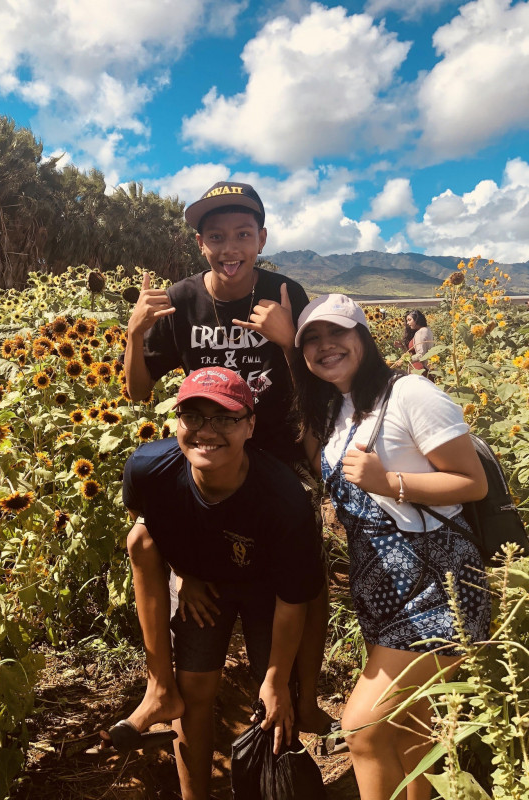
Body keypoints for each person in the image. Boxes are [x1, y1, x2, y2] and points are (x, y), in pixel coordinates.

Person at [121, 180, 331, 737]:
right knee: (146, 539)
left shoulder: (286, 292)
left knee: (307, 572)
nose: (230, 246)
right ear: (200, 243)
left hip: (277, 456)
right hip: (206, 450)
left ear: (261, 239)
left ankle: (304, 698)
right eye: (217, 236)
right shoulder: (183, 299)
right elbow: (139, 392)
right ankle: (158, 684)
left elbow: (322, 383)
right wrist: (133, 333)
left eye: (243, 234)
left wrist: (289, 342)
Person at [290, 294, 491, 800]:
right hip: (382, 598)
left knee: (361, 725)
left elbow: (471, 482)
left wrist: (390, 481)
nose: (325, 346)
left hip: (439, 587)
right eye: (311, 340)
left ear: (364, 336)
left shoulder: (410, 393)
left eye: (337, 333)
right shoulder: (335, 411)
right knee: (407, 728)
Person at [105, 367, 326, 800]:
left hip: (270, 590)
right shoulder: (149, 468)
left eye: (224, 419)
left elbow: (294, 596)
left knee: (272, 703)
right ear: (177, 422)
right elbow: (155, 529)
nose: (207, 432)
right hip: (204, 583)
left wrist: (279, 679)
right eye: (194, 417)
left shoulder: (282, 498)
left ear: (250, 426)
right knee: (196, 691)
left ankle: (287, 751)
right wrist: (185, 574)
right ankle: (161, 693)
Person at [397, 309, 434, 377]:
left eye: (409, 320)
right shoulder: (427, 329)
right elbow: (415, 352)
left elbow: (421, 355)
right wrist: (402, 347)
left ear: (417, 319)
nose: (407, 323)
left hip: (419, 370)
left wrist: (404, 360)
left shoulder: (420, 333)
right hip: (427, 369)